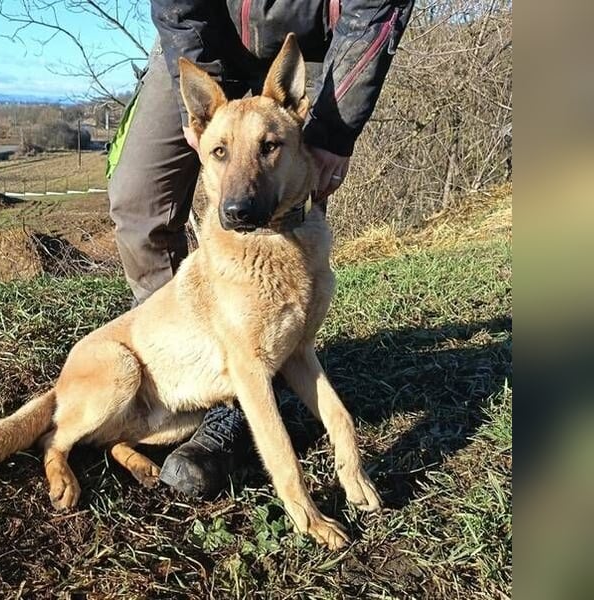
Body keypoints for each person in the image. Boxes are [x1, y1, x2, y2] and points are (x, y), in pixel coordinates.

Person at [106, 0, 413, 498]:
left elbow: (375, 7)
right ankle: (184, 377)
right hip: (204, 38)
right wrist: (207, 104)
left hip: (309, 41)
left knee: (291, 183)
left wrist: (334, 132)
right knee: (139, 197)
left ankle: (246, 400)